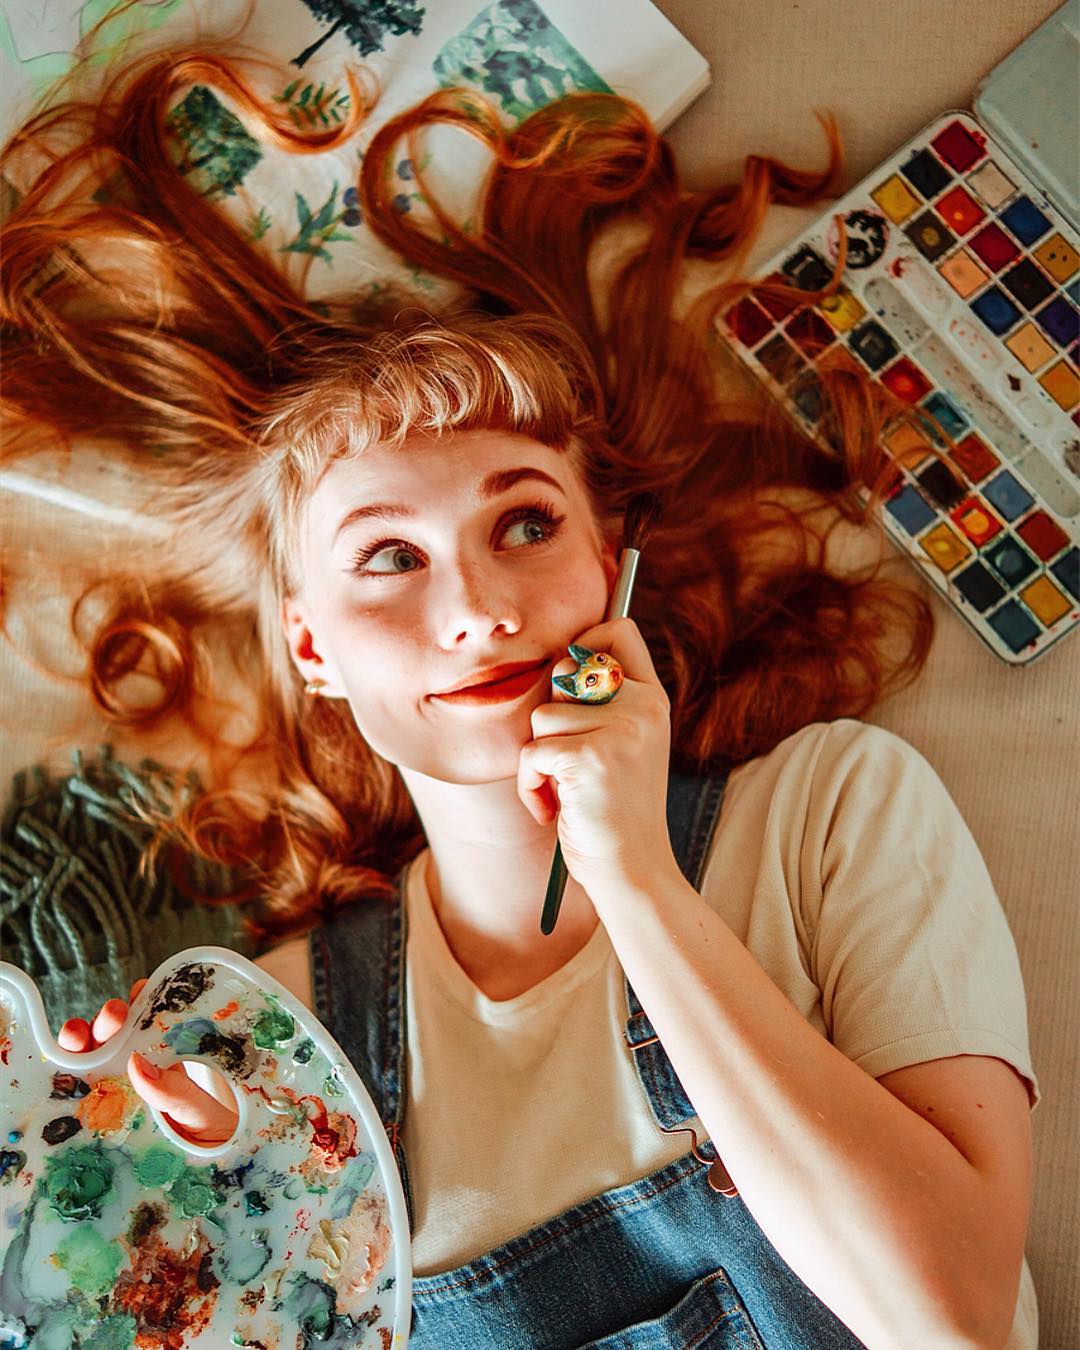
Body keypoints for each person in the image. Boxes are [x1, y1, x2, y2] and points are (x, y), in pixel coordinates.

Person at [2, 22, 1036, 1350]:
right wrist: (188, 1242)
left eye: (528, 522)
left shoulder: (835, 813)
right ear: (311, 645)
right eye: (388, 556)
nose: (479, 603)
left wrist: (638, 880)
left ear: (614, 555)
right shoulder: (279, 1034)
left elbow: (950, 1318)